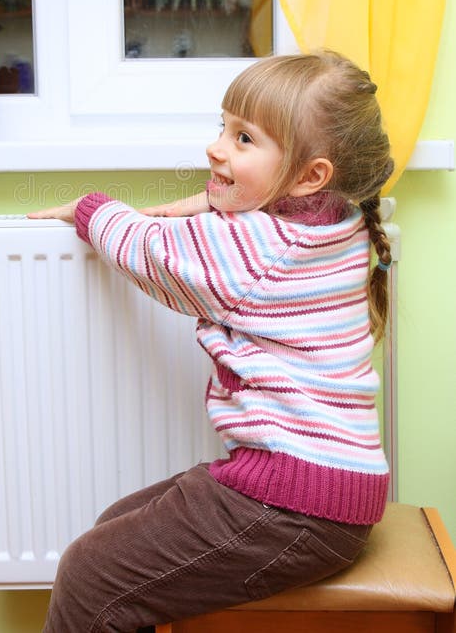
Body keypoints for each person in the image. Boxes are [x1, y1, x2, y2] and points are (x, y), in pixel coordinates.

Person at [28, 49, 394, 633]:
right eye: (222, 126)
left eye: (244, 138)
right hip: (316, 492)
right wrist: (208, 197)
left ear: (309, 175)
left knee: (88, 573)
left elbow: (152, 251)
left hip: (293, 504)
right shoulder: (337, 223)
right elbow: (254, 213)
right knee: (111, 528)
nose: (217, 148)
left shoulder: (261, 247)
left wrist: (87, 206)